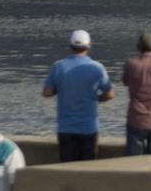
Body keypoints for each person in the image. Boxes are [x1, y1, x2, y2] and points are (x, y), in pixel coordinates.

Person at [43, 28, 114, 162]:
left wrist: (62, 88)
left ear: (70, 46)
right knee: (88, 170)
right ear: (89, 46)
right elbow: (110, 94)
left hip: (66, 128)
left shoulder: (58, 66)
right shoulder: (97, 68)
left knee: (67, 169)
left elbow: (47, 92)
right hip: (89, 127)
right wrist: (97, 99)